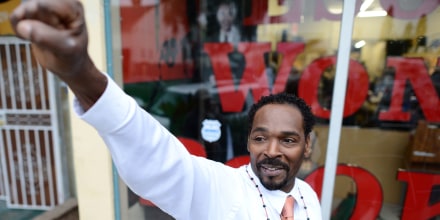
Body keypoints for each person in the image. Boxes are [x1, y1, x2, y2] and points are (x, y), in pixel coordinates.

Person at [10, 0, 322, 219]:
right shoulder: (225, 189)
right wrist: (80, 72)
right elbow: (156, 155)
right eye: (260, 138)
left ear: (307, 144)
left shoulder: (307, 197)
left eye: (288, 140)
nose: (270, 151)